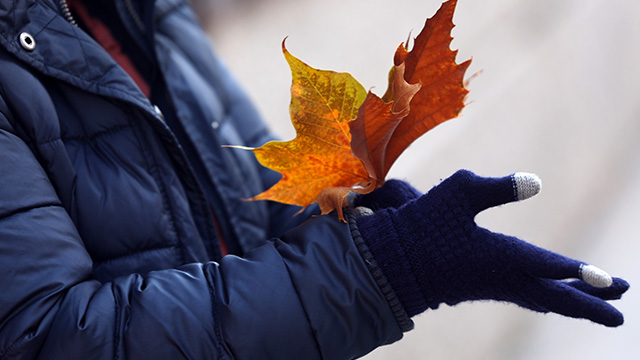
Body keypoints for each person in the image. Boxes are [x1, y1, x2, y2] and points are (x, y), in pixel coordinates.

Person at [0, 0, 628, 359]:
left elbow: (249, 204)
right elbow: (47, 337)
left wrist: (365, 221)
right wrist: (383, 269)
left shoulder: (145, 12)